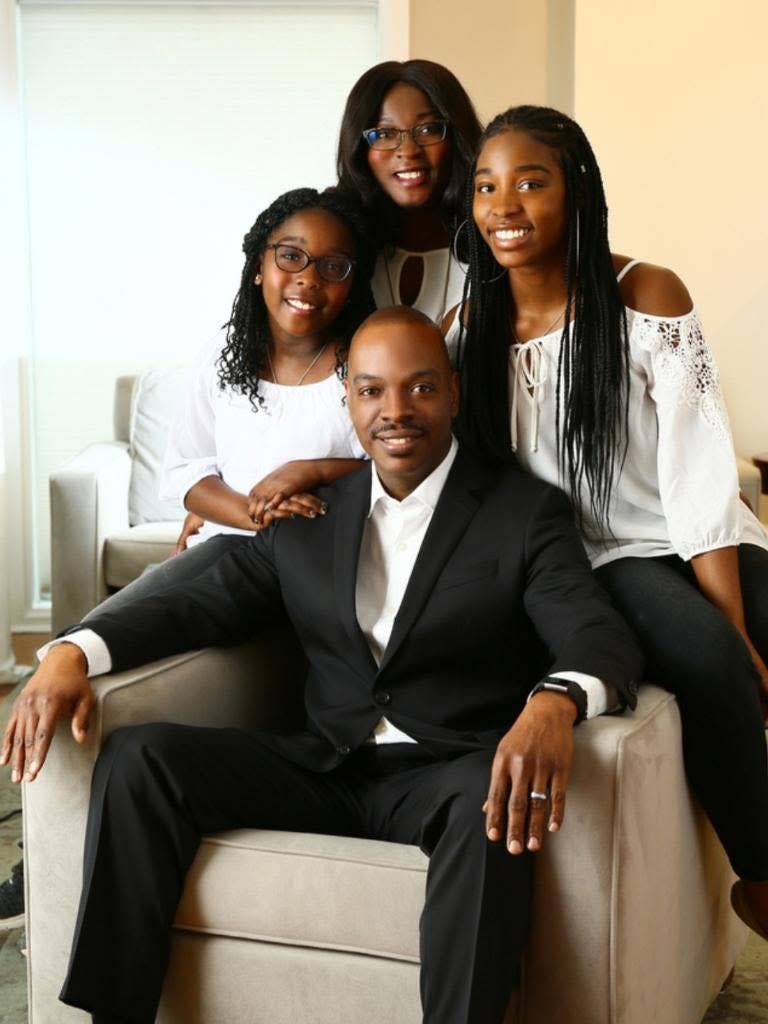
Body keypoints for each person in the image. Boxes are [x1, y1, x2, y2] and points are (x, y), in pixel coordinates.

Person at [2, 308, 643, 1024]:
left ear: (455, 392)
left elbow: (596, 632)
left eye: (420, 388)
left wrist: (555, 701)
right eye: (371, 391)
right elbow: (195, 600)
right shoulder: (313, 516)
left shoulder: (523, 512)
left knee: (491, 804)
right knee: (139, 757)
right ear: (348, 399)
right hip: (324, 766)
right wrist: (70, 651)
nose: (395, 411)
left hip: (449, 773)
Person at [448, 103, 768, 940]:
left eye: (530, 181)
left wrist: (732, 610)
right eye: (486, 186)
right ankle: (764, 881)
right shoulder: (468, 330)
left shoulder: (645, 295)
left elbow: (699, 474)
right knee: (711, 662)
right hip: (595, 559)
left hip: (694, 536)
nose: (503, 205)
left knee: (735, 631)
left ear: (578, 191)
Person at [87, 185, 377, 610]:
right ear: (260, 264)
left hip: (322, 558)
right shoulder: (225, 355)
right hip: (226, 545)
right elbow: (189, 471)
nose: (309, 278)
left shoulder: (363, 363)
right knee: (132, 614)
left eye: (334, 266)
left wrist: (312, 471)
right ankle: (71, 653)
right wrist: (253, 514)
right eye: (291, 256)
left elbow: (390, 471)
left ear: (352, 283)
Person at [337, 59, 482, 322]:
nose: (408, 151)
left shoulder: (494, 248)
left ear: (456, 138)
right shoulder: (342, 251)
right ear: (360, 149)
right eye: (384, 133)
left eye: (427, 129)